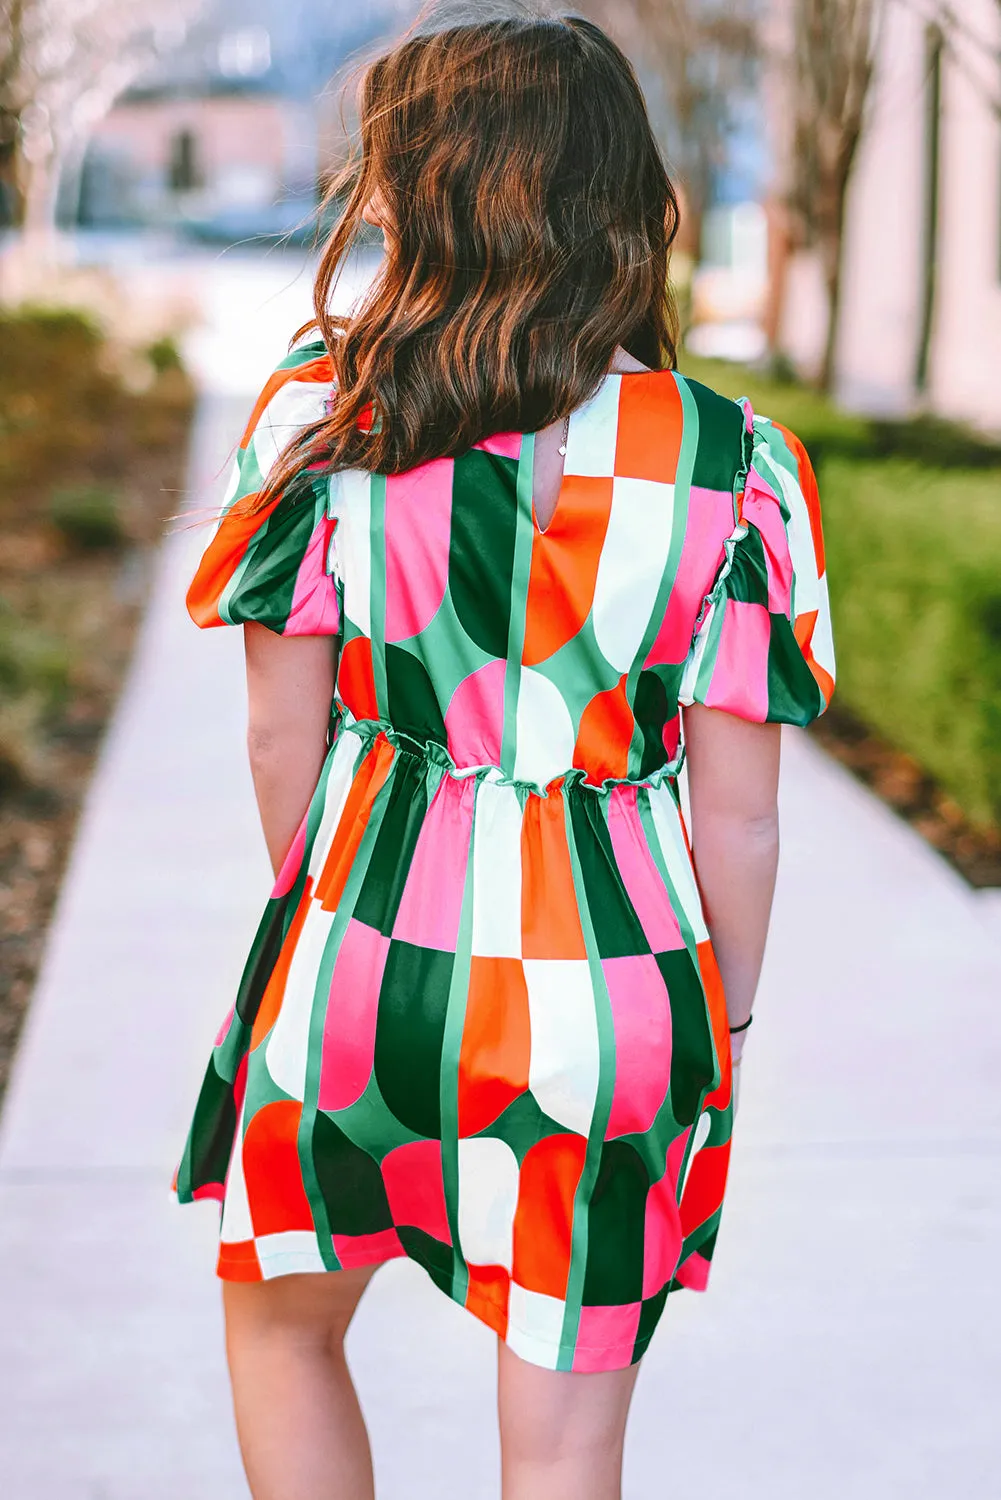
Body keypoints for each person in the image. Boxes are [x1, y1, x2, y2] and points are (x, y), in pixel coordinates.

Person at [175, 7, 835, 1498]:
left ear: (422, 189)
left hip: (360, 957)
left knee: (281, 1332)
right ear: (623, 198)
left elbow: (285, 733)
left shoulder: (318, 416)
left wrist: (333, 908)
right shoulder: (737, 464)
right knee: (563, 1448)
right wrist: (718, 1025)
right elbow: (742, 822)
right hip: (613, 997)